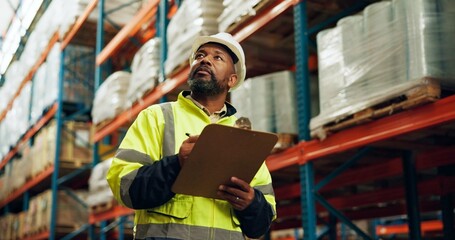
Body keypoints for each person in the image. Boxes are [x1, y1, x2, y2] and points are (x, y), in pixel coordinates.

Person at [107, 32, 276, 240]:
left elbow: (261, 224)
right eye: (200, 56)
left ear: (232, 79)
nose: (204, 60)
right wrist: (176, 164)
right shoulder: (157, 117)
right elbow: (125, 187)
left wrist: (251, 203)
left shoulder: (243, 138)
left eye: (217, 57)